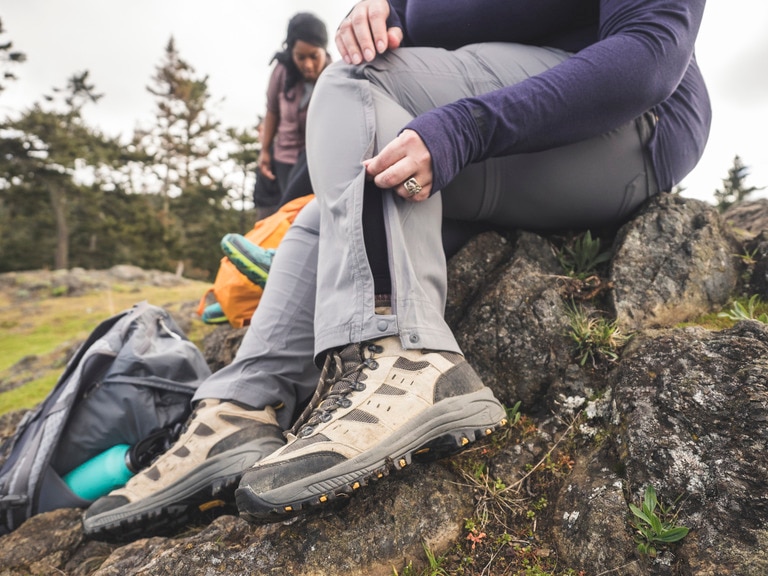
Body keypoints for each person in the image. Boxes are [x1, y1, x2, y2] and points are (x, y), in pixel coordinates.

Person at [82, 0, 710, 538]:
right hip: (497, 153)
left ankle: (405, 354)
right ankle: (241, 410)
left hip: (625, 131)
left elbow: (651, 52)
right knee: (332, 202)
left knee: (351, 82)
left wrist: (465, 127)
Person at [254, 12, 330, 214]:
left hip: (313, 162)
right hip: (284, 156)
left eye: (314, 56)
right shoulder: (281, 71)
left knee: (297, 211)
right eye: (300, 57)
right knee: (277, 206)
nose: (308, 65)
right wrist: (265, 151)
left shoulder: (334, 78)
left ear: (324, 51)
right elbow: (272, 111)